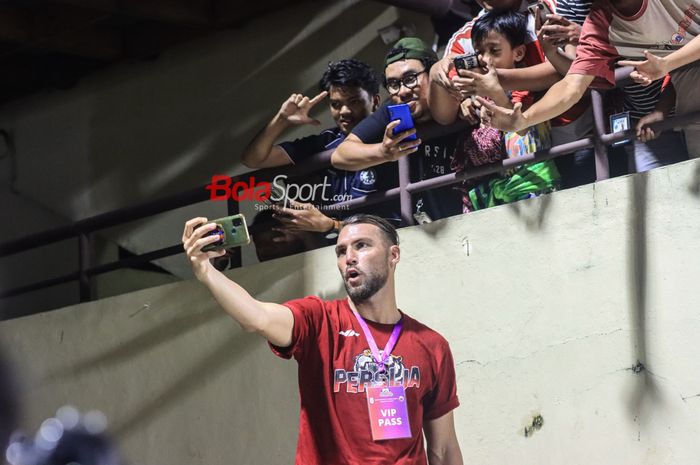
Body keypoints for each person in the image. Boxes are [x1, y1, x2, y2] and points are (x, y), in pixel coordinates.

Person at [182, 214, 463, 465]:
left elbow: (444, 448)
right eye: (341, 251)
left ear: (393, 255)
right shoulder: (319, 319)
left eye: (362, 245)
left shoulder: (431, 345)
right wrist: (206, 271)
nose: (349, 257)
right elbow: (256, 318)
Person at [477, 0, 700, 161]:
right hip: (692, 107)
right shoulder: (600, 24)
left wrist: (668, 63)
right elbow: (570, 87)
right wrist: (524, 120)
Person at [241, 59, 396, 234]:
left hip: (392, 238)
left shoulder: (391, 137)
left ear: (375, 101)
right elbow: (253, 159)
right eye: (336, 104)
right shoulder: (325, 142)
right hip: (339, 248)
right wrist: (281, 120)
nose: (344, 111)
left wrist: (332, 225)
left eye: (354, 101)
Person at [332, 38, 463, 223]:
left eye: (410, 79)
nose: (402, 91)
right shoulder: (392, 110)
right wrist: (383, 152)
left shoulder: (460, 94)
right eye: (393, 84)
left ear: (432, 74)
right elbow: (340, 155)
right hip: (423, 223)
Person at [454, 10, 561, 210]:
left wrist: (496, 92)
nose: (485, 59)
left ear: (518, 53)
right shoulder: (477, 96)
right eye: (479, 52)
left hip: (537, 192)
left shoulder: (526, 88)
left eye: (494, 51)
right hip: (500, 197)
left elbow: (519, 128)